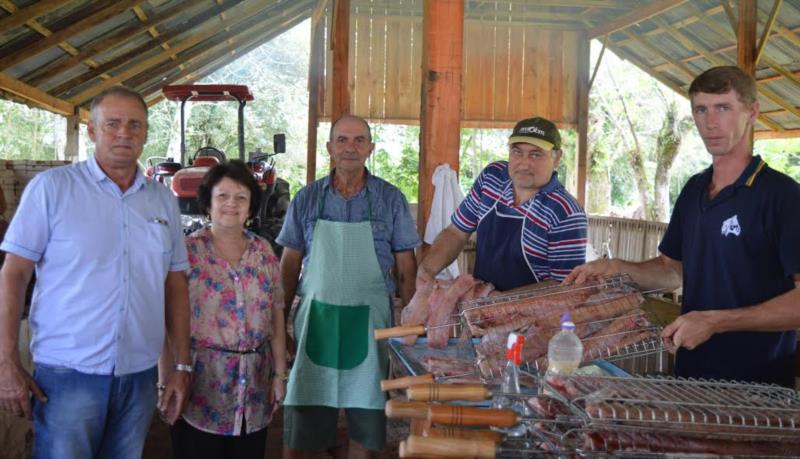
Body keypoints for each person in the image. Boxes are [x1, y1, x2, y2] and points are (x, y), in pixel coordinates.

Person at [566, 66, 800, 387]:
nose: (711, 122)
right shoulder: (694, 190)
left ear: (752, 112)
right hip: (691, 373)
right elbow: (670, 270)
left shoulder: (782, 195)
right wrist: (614, 267)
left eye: (723, 108)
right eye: (701, 109)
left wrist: (716, 322)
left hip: (758, 385)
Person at [0, 86, 192, 459]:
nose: (124, 133)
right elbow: (14, 274)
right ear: (91, 130)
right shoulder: (52, 189)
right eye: (113, 124)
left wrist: (180, 364)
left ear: (146, 133)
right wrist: (6, 360)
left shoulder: (162, 200)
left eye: (135, 125)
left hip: (138, 376)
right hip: (67, 375)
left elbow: (176, 285)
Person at [277, 115, 420, 457]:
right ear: (329, 148)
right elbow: (289, 264)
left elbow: (406, 266)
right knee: (304, 415)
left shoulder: (390, 198)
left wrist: (412, 322)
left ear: (371, 148)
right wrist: (279, 322)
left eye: (359, 140)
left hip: (371, 325)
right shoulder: (307, 198)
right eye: (342, 140)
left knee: (365, 415)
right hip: (315, 322)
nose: (350, 147)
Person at [166, 160, 287, 459]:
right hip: (201, 389)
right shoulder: (187, 252)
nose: (231, 204)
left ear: (251, 207)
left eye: (241, 197)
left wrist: (279, 375)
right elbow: (167, 320)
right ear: (207, 203)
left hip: (254, 392)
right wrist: (164, 379)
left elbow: (276, 313)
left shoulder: (264, 253)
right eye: (222, 196)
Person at [418, 116, 587, 291]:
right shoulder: (492, 178)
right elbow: (456, 232)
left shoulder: (566, 212)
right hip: (478, 309)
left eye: (536, 154)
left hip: (532, 316)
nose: (524, 163)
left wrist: (496, 303)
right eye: (517, 152)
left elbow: (565, 287)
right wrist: (427, 271)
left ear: (557, 157)